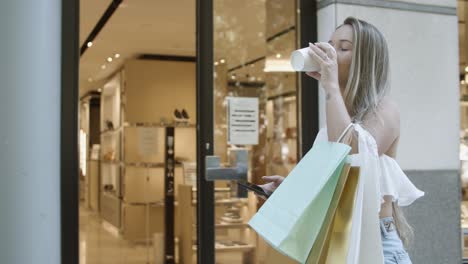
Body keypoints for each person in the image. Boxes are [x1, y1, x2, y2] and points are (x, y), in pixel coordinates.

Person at [258, 17, 424, 264]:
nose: (331, 53)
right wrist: (291, 189)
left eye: (343, 48)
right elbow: (336, 180)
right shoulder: (337, 114)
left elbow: (349, 157)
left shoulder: (385, 109)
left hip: (377, 247)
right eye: (329, 45)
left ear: (365, 61)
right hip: (338, 243)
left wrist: (332, 88)